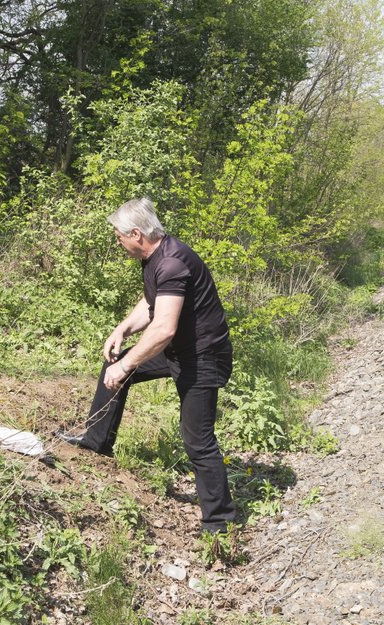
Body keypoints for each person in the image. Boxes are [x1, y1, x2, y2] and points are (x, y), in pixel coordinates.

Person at [58, 197, 236, 533]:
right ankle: (96, 441)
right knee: (116, 363)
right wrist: (123, 329)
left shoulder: (172, 261)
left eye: (119, 236)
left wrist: (126, 367)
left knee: (197, 439)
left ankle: (220, 526)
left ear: (136, 234)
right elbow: (154, 301)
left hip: (202, 357)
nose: (117, 241)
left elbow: (164, 329)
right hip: (179, 351)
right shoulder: (157, 257)